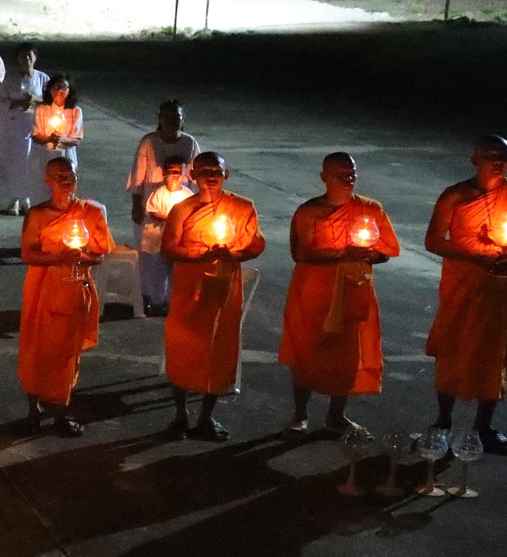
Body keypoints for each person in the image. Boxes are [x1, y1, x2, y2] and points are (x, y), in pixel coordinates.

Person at [422, 135, 507, 454]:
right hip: (462, 282)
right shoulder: (456, 195)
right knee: (453, 345)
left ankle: (483, 427)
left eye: (504, 156)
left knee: (494, 353)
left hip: (500, 287)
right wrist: (475, 256)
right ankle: (443, 421)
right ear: (474, 159)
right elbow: (434, 241)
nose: (498, 161)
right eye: (491, 155)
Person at [280, 153, 401, 437]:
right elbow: (300, 253)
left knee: (347, 354)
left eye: (351, 173)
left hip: (352, 289)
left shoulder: (370, 208)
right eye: (340, 173)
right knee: (306, 351)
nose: (348, 178)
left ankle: (337, 415)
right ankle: (300, 415)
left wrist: (368, 254)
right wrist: (343, 253)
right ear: (324, 177)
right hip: (313, 291)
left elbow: (387, 250)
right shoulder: (309, 211)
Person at [161, 152, 268, 440]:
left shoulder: (242, 207)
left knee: (219, 349)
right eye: (204, 170)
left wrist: (233, 253)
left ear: (226, 174)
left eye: (217, 171)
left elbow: (256, 245)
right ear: (192, 176)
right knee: (183, 346)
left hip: (224, 286)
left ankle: (206, 416)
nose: (211, 176)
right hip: (189, 288)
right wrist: (199, 253)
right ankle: (181, 414)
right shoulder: (182, 209)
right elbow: (168, 248)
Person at [16, 157, 115, 436]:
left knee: (67, 353)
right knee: (37, 347)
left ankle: (60, 410)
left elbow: (99, 253)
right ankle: (33, 410)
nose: (65, 180)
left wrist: (80, 256)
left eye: (69, 175)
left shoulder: (90, 213)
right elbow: (27, 254)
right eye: (58, 176)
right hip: (43, 286)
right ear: (47, 180)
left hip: (75, 286)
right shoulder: (37, 215)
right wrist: (57, 257)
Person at [136, 156, 195, 315]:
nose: (175, 175)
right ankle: (157, 302)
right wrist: (171, 217)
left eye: (179, 172)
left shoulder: (188, 195)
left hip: (178, 242)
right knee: (158, 272)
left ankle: (172, 302)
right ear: (164, 173)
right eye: (172, 171)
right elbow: (153, 211)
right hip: (158, 240)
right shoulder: (159, 193)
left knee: (176, 273)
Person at [126, 100, 200, 222]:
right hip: (153, 205)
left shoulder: (190, 143)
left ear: (182, 120)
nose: (172, 120)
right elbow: (137, 177)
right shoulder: (148, 142)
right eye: (167, 117)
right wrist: (136, 206)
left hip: (182, 205)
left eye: (176, 116)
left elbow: (196, 176)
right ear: (160, 119)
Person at [0, 44, 47, 209]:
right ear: (18, 59)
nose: (26, 60)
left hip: (35, 127)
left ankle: (28, 198)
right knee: (14, 162)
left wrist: (35, 101)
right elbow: (1, 100)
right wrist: (19, 103)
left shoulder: (42, 79)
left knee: (32, 164)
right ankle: (15, 199)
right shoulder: (10, 80)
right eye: (23, 57)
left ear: (35, 58)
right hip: (14, 128)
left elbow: (51, 100)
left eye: (29, 56)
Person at [25, 78, 84, 211]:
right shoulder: (41, 109)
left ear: (69, 91)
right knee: (40, 188)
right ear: (50, 90)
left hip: (66, 155)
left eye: (63, 88)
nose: (59, 91)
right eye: (56, 87)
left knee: (63, 190)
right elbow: (35, 135)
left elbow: (77, 139)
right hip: (42, 155)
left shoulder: (75, 111)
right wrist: (48, 139)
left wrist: (62, 139)